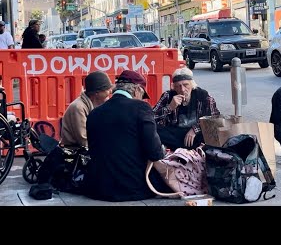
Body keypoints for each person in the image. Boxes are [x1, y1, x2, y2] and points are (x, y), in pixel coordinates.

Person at [84, 70, 170, 202]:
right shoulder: (141, 108)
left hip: (98, 187)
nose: (142, 99)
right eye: (142, 95)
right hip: (131, 187)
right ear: (137, 90)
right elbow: (155, 152)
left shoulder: (94, 113)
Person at [153, 67, 220, 151]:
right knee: (152, 130)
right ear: (174, 87)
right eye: (178, 86)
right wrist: (169, 107)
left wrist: (195, 129)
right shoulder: (168, 96)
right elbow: (151, 118)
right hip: (175, 134)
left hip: (196, 135)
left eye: (185, 85)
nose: (182, 89)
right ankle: (179, 148)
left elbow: (215, 118)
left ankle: (183, 148)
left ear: (192, 85)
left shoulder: (204, 96)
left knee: (211, 132)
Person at [60, 71, 113, 148]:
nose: (110, 91)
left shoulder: (97, 103)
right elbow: (83, 139)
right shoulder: (78, 107)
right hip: (75, 152)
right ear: (97, 93)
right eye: (107, 89)